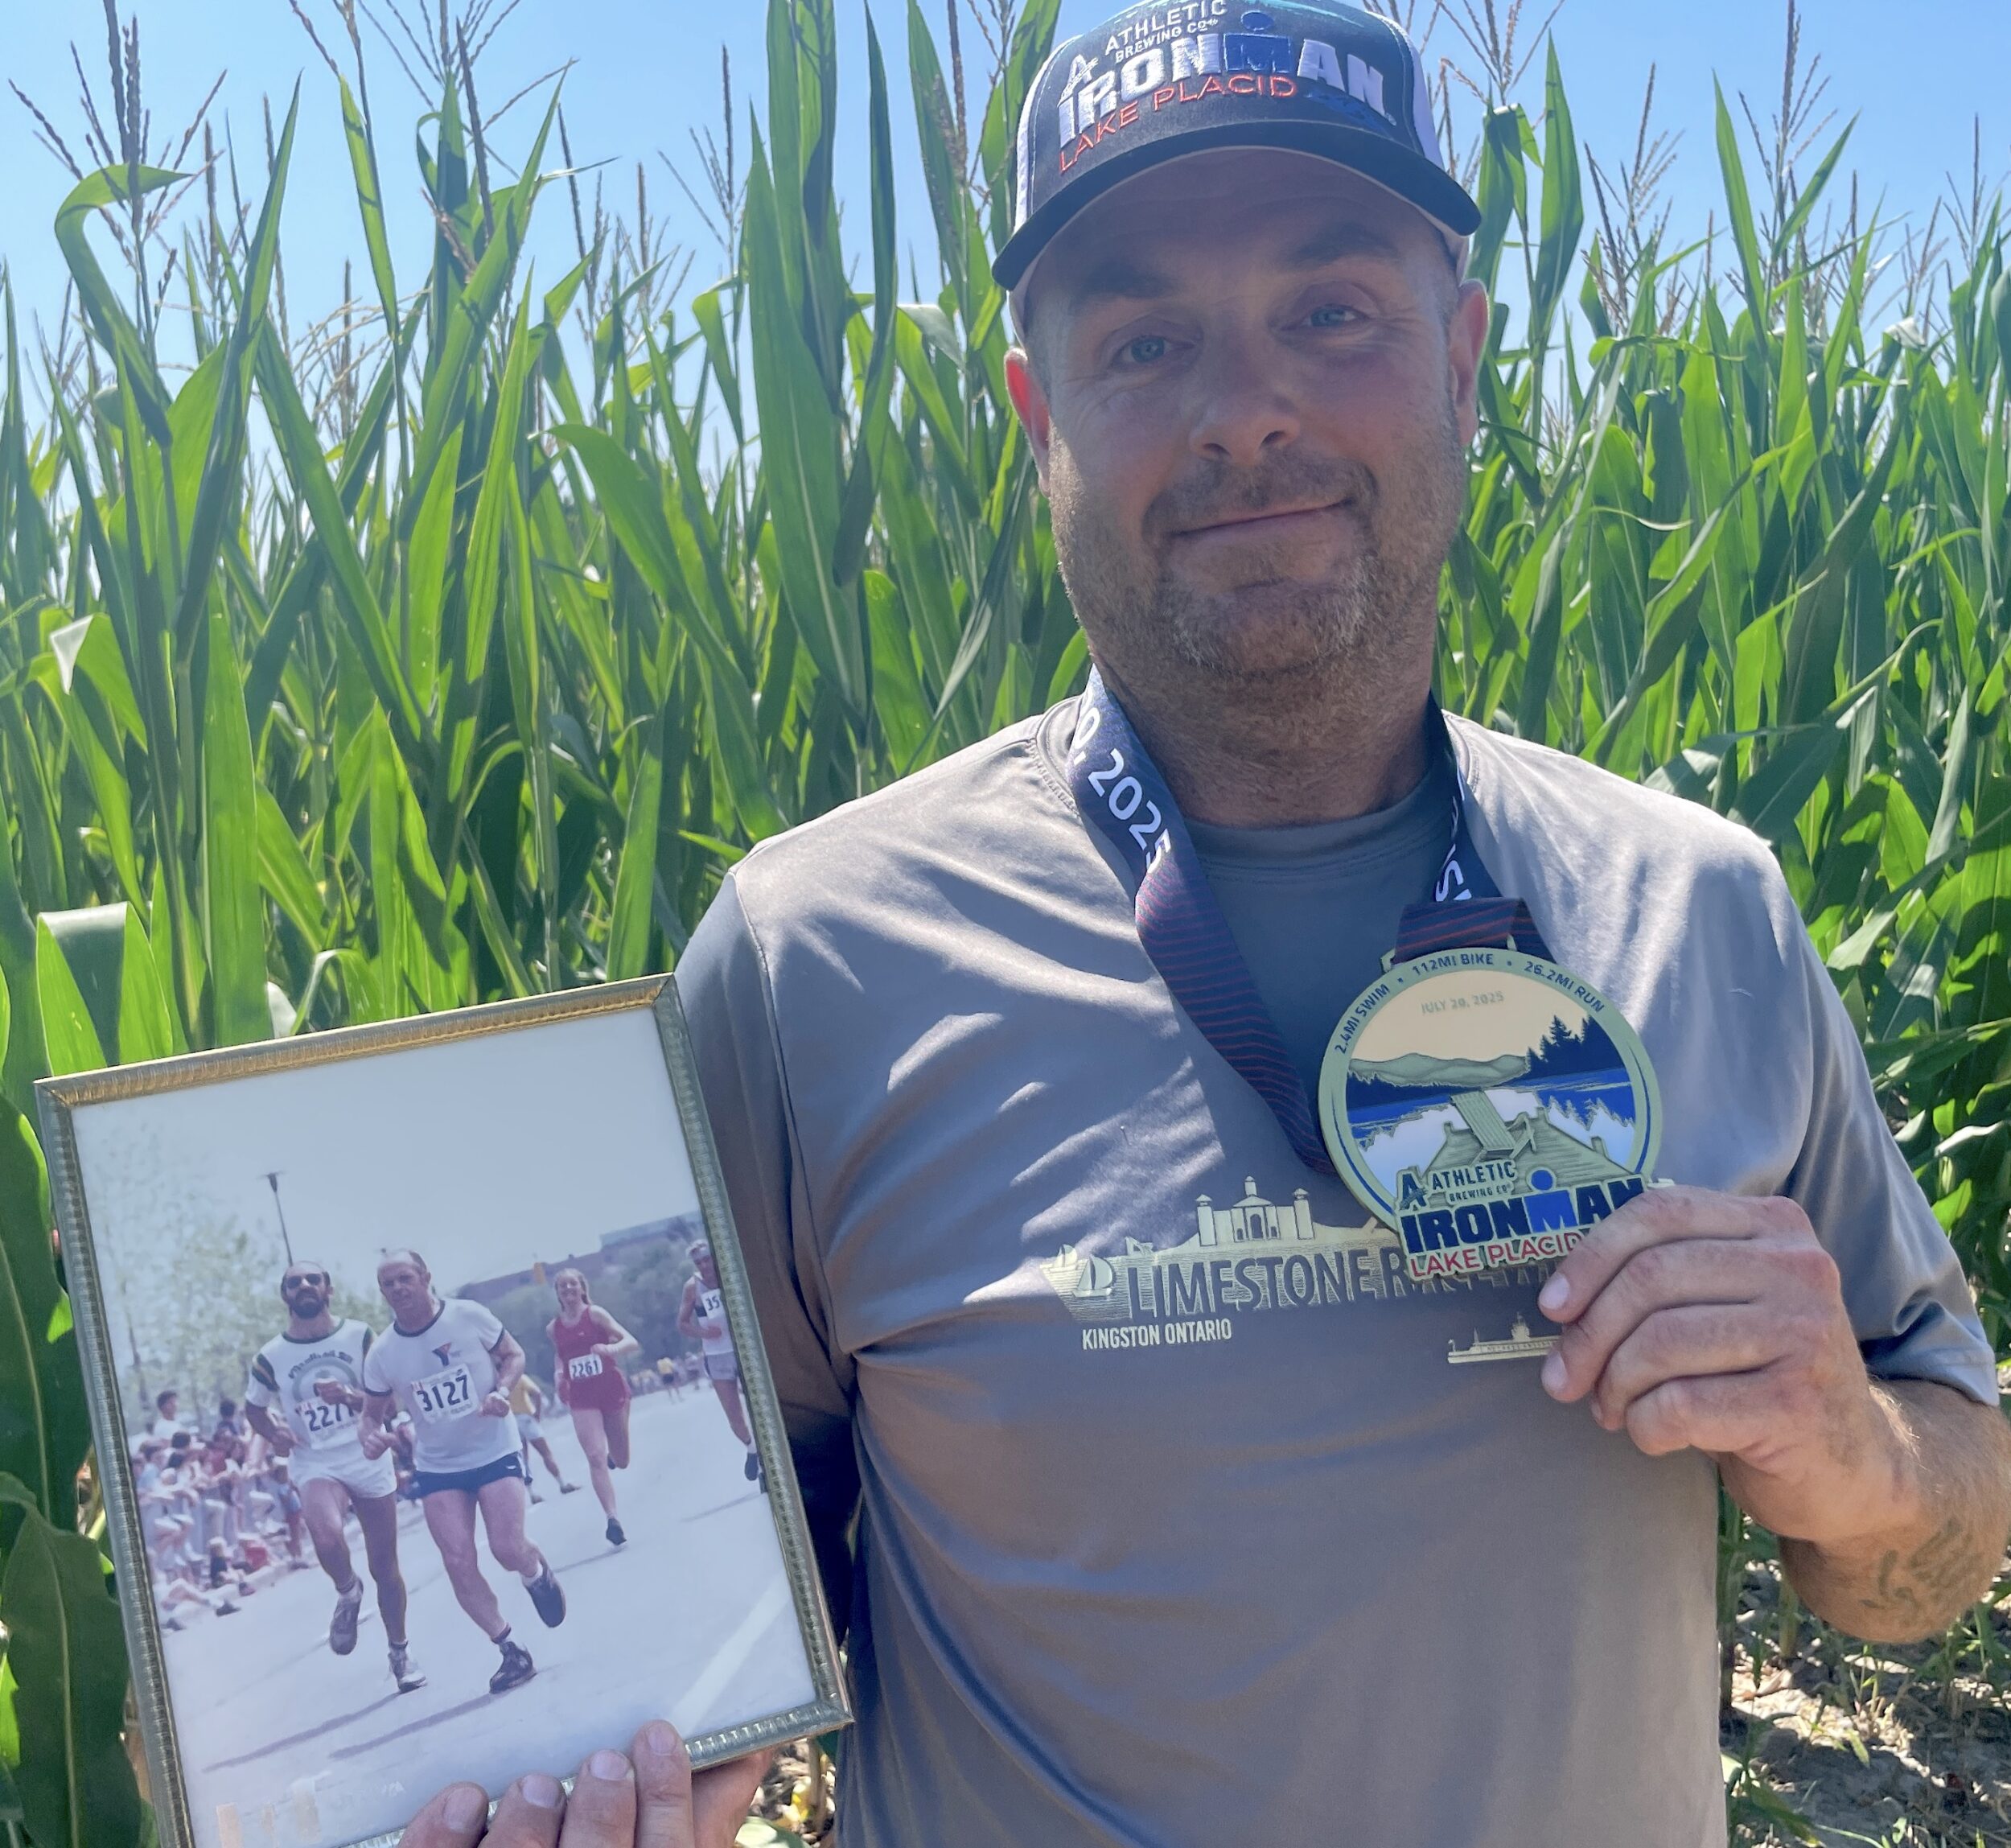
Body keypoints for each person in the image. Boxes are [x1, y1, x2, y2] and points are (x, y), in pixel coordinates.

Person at [413, 2, 2011, 1843]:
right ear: (1040, 420)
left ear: (1463, 359)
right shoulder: (808, 963)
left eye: (1331, 312)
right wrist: (636, 1766)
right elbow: (714, 1593)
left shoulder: (1698, 907)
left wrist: (1854, 1453)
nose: (1245, 407)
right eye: (1144, 340)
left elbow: (1930, 1554)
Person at [360, 1249, 565, 1694]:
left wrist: (502, 1390)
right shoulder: (383, 1353)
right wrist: (371, 1437)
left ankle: (534, 1570)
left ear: (425, 1277)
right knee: (457, 1561)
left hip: (494, 1447)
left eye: (404, 1278)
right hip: (439, 1466)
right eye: (388, 1284)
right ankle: (510, 1649)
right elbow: (370, 1415)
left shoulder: (467, 1316)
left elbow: (513, 1355)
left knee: (506, 1548)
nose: (397, 1289)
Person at [245, 1260, 425, 1692]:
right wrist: (274, 1433)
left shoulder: (359, 1336)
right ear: (285, 1296)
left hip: (367, 1452)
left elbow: (390, 1400)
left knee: (385, 1567)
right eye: (294, 1283)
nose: (304, 1285)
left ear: (328, 1290)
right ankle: (347, 1590)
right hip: (315, 1461)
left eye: (313, 1280)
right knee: (325, 1537)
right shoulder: (271, 1356)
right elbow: (254, 1408)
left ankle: (400, 1653)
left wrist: (350, 1396)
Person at [546, 1269, 638, 1545]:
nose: (568, 1289)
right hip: (582, 1396)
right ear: (557, 1293)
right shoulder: (554, 1328)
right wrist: (559, 1374)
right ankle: (612, 1519)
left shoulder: (595, 1314)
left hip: (610, 1389)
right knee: (595, 1457)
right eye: (562, 1286)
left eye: (572, 1284)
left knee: (621, 1460)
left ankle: (614, 1457)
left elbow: (630, 1341)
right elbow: (561, 1356)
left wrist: (611, 1350)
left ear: (582, 1288)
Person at [676, 1245, 759, 1489]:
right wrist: (703, 1333)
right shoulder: (692, 1287)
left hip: (745, 1349)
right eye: (699, 1262)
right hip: (716, 1356)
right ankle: (752, 1448)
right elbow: (682, 1323)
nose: (704, 1265)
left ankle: (768, 1456)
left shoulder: (732, 1273)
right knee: (734, 1417)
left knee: (759, 1405)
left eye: (707, 1259)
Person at [508, 1373, 578, 1503]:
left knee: (523, 1459)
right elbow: (537, 1393)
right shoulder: (519, 1378)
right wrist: (537, 1413)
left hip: (511, 1422)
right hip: (526, 1417)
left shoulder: (498, 1382)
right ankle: (562, 1483)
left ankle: (532, 1493)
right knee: (546, 1453)